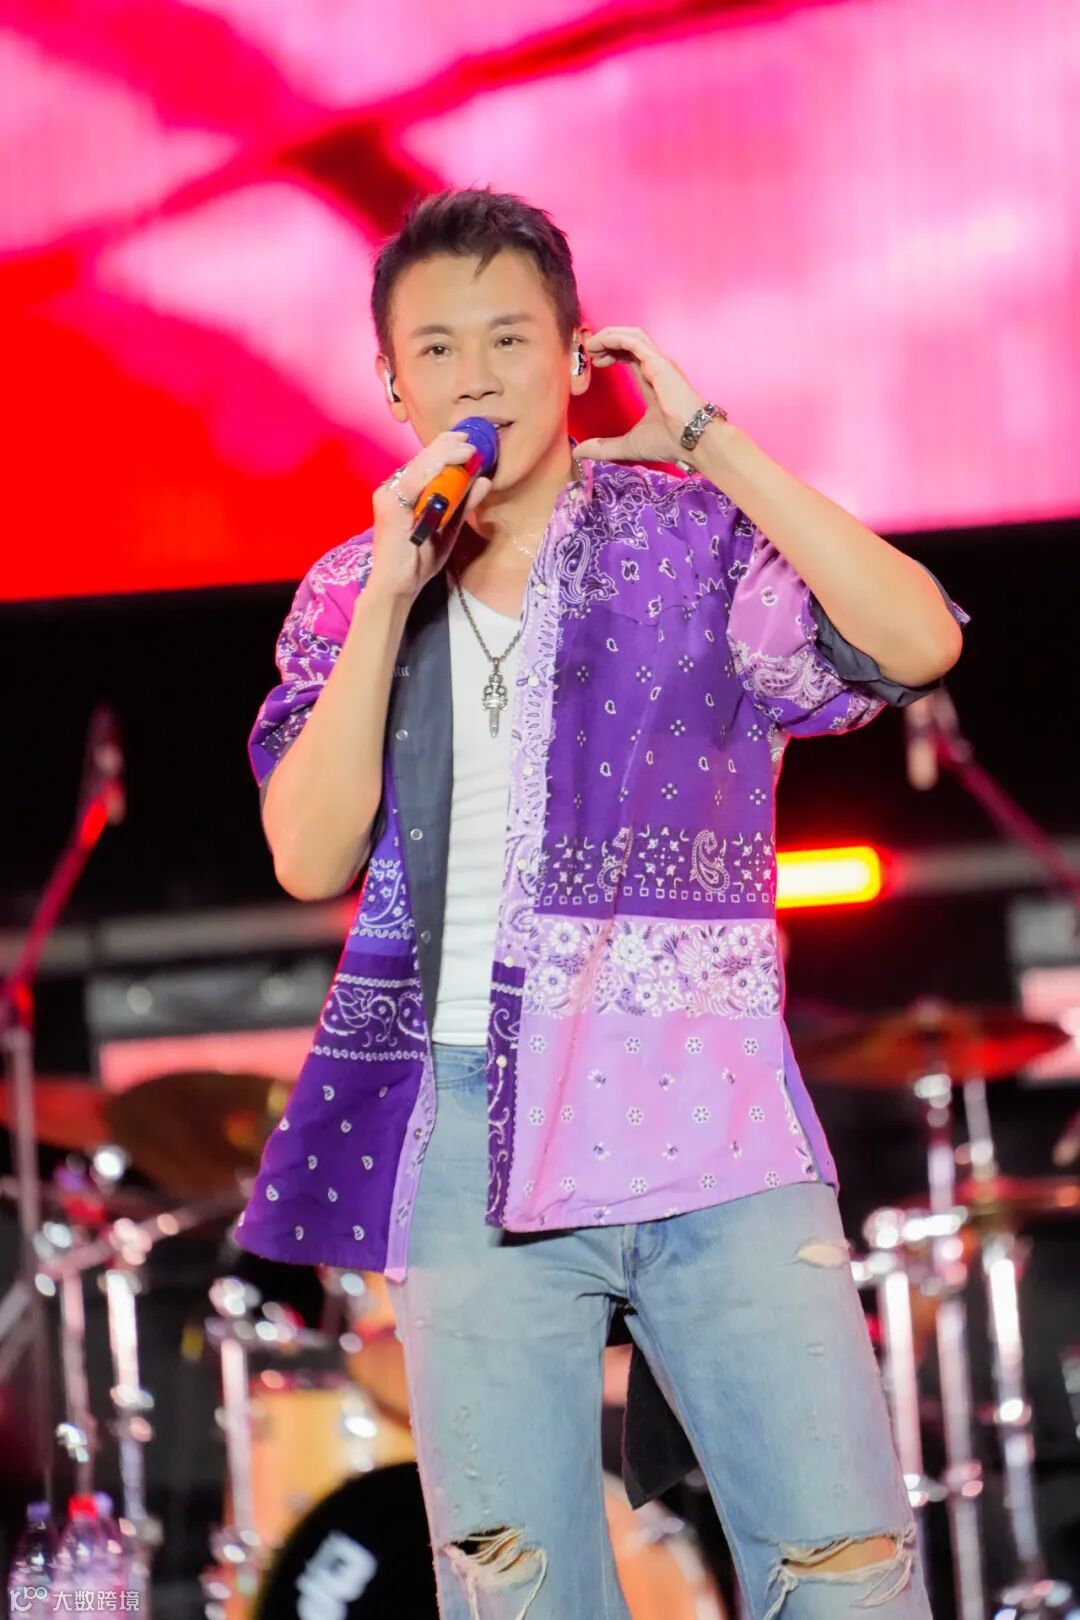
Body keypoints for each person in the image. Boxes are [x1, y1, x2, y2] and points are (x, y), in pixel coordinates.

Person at [236, 188, 965, 1619]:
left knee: (849, 1572)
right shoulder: (349, 593)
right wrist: (388, 596)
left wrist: (711, 440)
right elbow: (309, 856)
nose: (477, 377)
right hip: (467, 1129)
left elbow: (917, 640)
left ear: (578, 358)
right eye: (437, 349)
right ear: (390, 385)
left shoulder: (694, 541)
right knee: (520, 1595)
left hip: (711, 1109)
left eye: (511, 338)